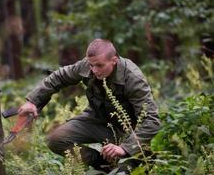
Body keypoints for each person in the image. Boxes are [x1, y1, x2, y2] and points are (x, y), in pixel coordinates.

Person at [18, 39, 161, 173]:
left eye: (99, 65)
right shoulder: (89, 65)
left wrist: (124, 149)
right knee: (56, 139)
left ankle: (130, 163)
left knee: (128, 170)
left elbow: (151, 120)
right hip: (97, 119)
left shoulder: (133, 78)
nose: (94, 70)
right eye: (91, 65)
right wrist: (33, 101)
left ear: (114, 60)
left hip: (127, 130)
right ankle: (101, 163)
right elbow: (59, 76)